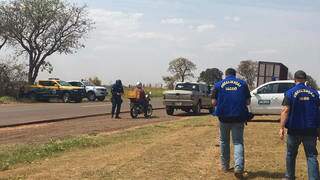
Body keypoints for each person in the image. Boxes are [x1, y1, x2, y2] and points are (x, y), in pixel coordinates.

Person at [211, 68, 252, 179]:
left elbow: (214, 102)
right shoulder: (243, 84)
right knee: (238, 142)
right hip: (239, 117)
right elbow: (248, 101)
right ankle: (238, 167)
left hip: (223, 118)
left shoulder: (218, 85)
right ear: (235, 75)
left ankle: (225, 166)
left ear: (226, 75)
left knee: (224, 141)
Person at [279, 70, 320, 180]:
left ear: (295, 80)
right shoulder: (315, 93)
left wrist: (281, 127)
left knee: (291, 154)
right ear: (305, 80)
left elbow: (286, 111)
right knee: (311, 156)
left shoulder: (290, 92)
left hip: (294, 130)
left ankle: (289, 176)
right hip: (311, 130)